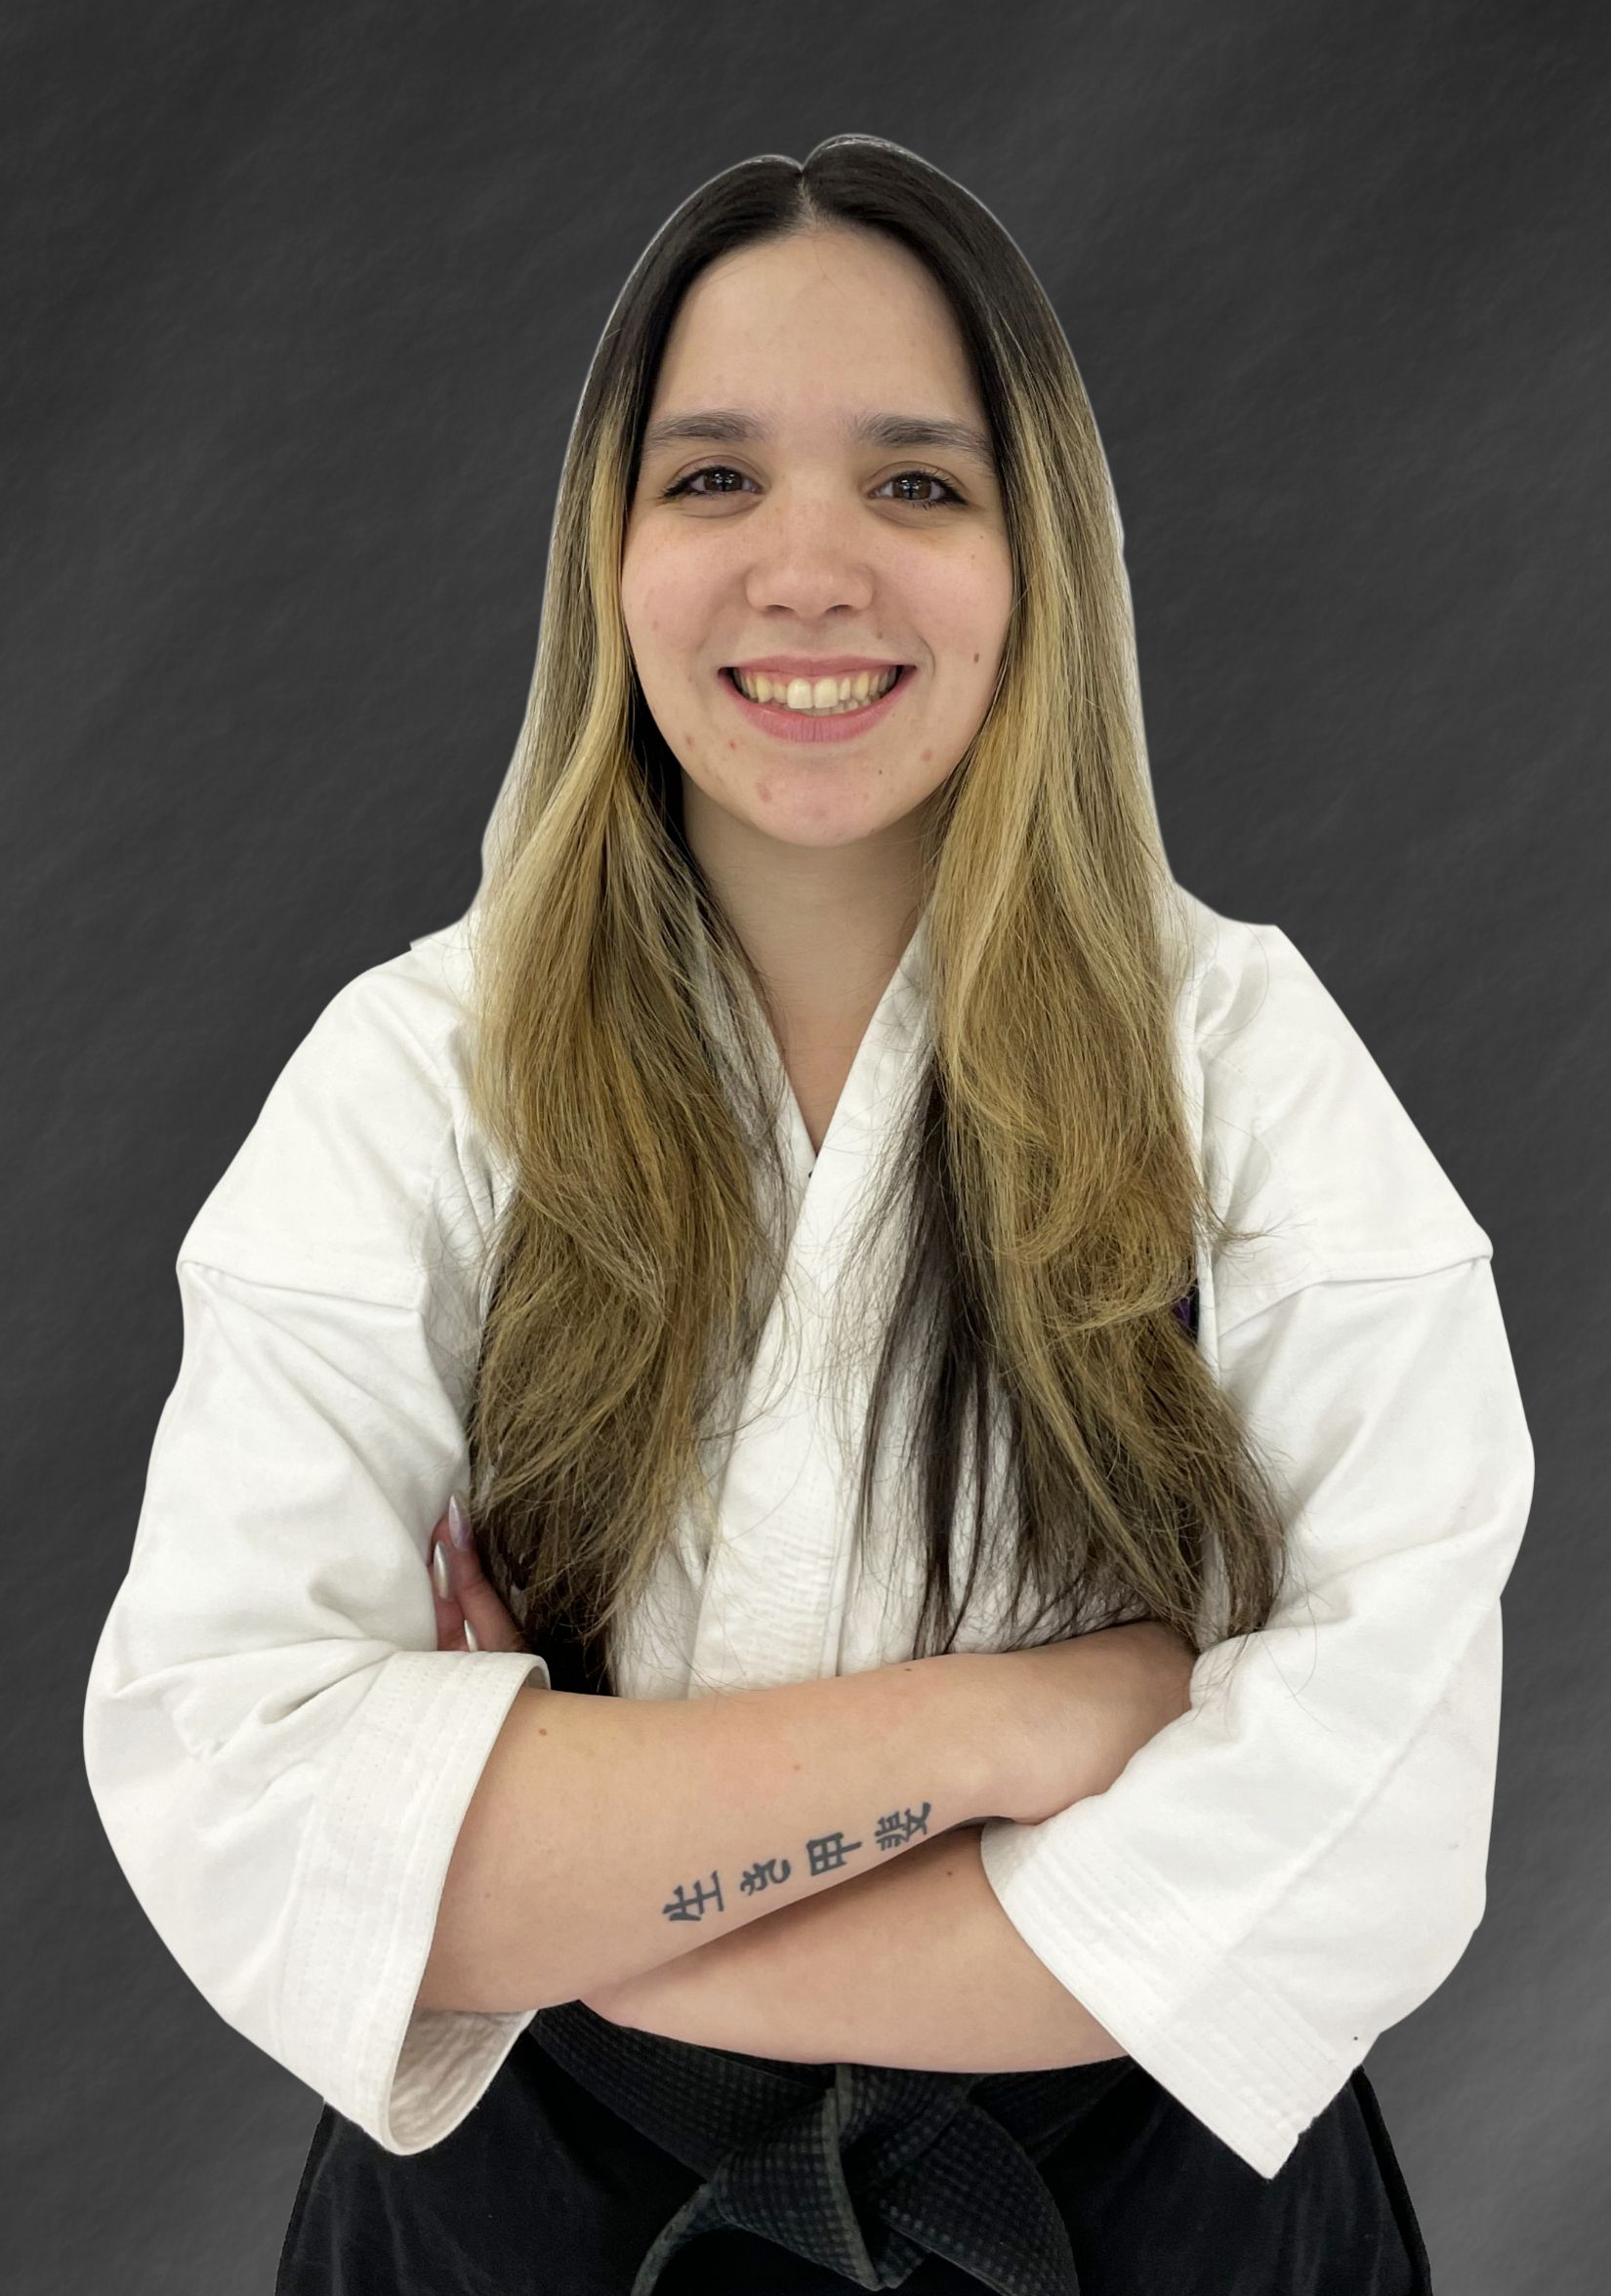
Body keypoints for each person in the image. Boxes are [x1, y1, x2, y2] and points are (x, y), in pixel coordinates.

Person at [81, 138, 1533, 2293]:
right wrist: (1010, 1733)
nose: (812, 570)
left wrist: (582, 1877)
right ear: (612, 550)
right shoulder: (415, 1081)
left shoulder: (1245, 1066)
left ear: (1041, 553)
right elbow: (251, 1794)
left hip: (1153, 2229)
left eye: (918, 485)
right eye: (716, 479)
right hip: (527, 2230)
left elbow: (1368, 1820)